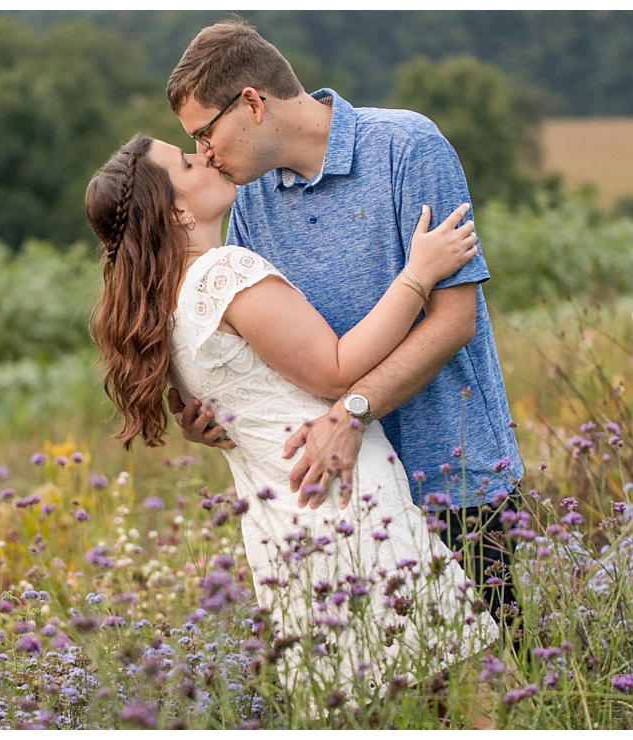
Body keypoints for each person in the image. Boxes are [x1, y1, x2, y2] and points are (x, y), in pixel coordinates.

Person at [85, 133, 498, 700]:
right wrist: (418, 274)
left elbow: (231, 402)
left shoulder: (162, 301)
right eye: (185, 161)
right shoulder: (222, 273)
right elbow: (334, 371)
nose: (203, 155)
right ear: (177, 212)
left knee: (372, 706)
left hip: (283, 528)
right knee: (476, 694)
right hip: (348, 498)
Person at [166, 21, 525, 630]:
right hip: (349, 493)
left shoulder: (408, 146)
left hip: (453, 475)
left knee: (501, 691)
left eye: (205, 132)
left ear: (251, 103)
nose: (204, 155)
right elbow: (273, 346)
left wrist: (353, 410)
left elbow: (454, 320)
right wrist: (214, 412)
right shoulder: (249, 202)